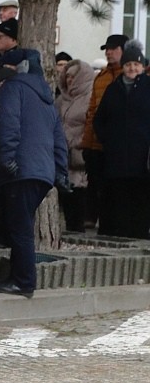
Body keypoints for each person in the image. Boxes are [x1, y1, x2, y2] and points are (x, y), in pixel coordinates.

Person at [0, 48, 68, 296]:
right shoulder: (46, 97)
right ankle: (18, 277)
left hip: (21, 170)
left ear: (17, 68)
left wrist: (7, 157)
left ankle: (23, 282)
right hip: (42, 172)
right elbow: (59, 138)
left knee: (20, 228)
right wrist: (60, 172)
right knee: (21, 225)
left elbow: (9, 125)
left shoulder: (13, 89)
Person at [92, 41, 150, 239]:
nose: (132, 68)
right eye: (128, 64)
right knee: (118, 197)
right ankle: (121, 234)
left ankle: (139, 235)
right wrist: (108, 141)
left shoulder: (148, 87)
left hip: (143, 157)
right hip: (116, 157)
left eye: (136, 64)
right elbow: (99, 119)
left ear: (142, 66)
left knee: (140, 198)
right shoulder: (113, 89)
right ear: (123, 66)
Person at [80, 34, 127, 233]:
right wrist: (88, 142)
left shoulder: (129, 76)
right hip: (97, 143)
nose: (108, 52)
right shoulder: (101, 77)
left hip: (119, 144)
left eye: (113, 48)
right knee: (94, 182)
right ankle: (92, 219)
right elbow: (92, 112)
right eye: (106, 49)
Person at [55, 58, 95, 233]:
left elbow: (91, 125)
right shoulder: (61, 99)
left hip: (80, 158)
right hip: (62, 158)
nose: (70, 80)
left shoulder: (90, 97)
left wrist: (77, 143)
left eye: (74, 77)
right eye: (67, 77)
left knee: (78, 205)